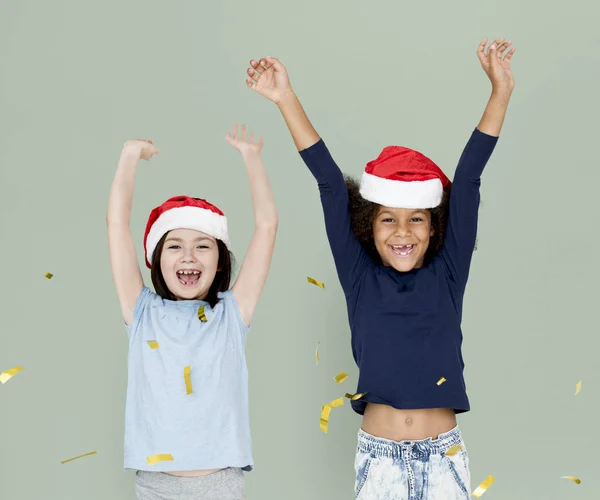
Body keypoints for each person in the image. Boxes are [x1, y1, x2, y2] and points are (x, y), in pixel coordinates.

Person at [245, 37, 515, 499]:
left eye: (416, 220)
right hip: (379, 461)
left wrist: (499, 93)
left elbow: (468, 178)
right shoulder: (359, 276)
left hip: (444, 458)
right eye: (388, 219)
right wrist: (286, 98)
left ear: (435, 228)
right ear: (368, 227)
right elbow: (330, 183)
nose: (402, 232)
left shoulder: (449, 273)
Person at [106, 123, 278, 500]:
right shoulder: (141, 313)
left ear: (219, 262)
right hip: (154, 484)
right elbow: (117, 225)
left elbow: (266, 226)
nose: (188, 256)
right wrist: (130, 155)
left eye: (203, 246)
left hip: (221, 484)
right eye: (175, 246)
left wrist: (252, 159)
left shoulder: (232, 314)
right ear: (154, 260)